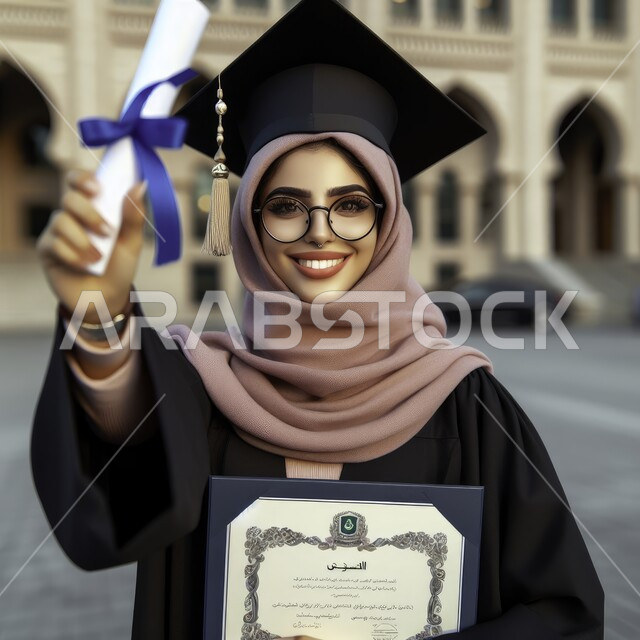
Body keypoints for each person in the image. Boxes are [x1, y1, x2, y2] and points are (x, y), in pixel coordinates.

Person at [31, 0, 604, 638]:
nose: (319, 234)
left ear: (388, 222)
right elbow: (121, 481)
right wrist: (100, 311)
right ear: (248, 220)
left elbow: (564, 613)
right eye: (286, 205)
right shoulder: (201, 389)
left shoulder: (464, 402)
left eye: (352, 204)